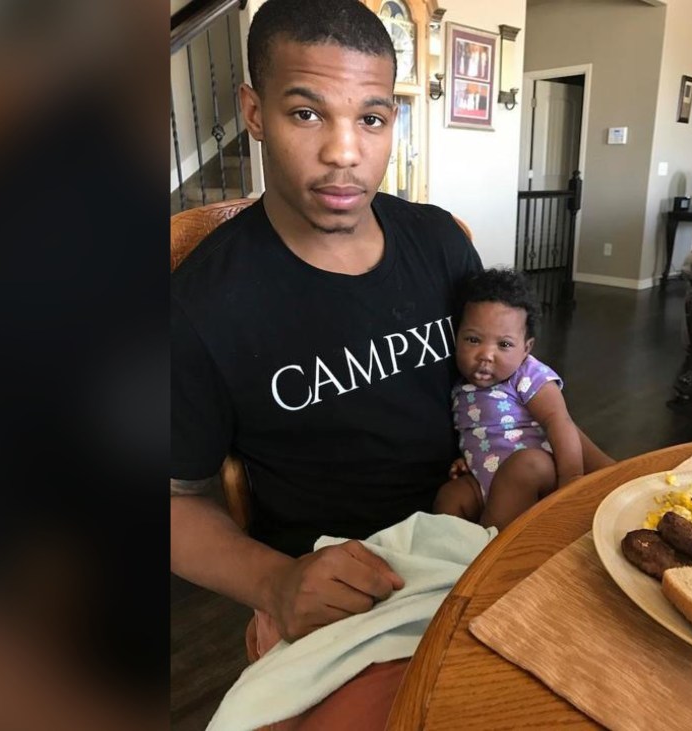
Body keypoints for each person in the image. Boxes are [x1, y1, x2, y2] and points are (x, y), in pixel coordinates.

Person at [170, 0, 612, 726]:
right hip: (352, 589)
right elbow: (177, 500)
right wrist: (276, 584)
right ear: (253, 112)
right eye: (307, 113)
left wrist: (614, 481)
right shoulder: (200, 305)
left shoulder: (439, 243)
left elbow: (522, 387)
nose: (345, 152)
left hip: (489, 528)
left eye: (371, 118)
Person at [434, 269, 582, 529]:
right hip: (484, 477)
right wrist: (469, 458)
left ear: (526, 348)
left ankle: (493, 548)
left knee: (524, 466)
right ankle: (454, 547)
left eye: (504, 345)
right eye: (473, 340)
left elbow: (559, 421)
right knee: (450, 496)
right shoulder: (460, 385)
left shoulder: (528, 374)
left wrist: (572, 481)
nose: (486, 354)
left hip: (534, 473)